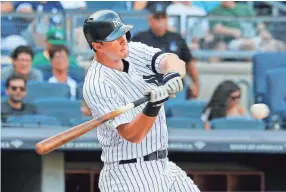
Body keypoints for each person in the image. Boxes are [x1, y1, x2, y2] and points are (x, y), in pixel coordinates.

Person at [82, 10, 200, 192]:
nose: (123, 40)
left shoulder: (133, 50)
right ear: (98, 46)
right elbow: (133, 134)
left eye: (124, 33)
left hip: (163, 166)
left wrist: (172, 75)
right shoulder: (97, 84)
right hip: (128, 175)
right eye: (115, 37)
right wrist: (153, 105)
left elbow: (173, 60)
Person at [131, 3, 200, 99]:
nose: (160, 21)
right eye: (157, 17)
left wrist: (196, 84)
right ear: (150, 20)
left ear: (167, 19)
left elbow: (189, 63)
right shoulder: (140, 37)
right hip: (147, 88)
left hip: (174, 88)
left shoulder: (177, 38)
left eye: (163, 17)